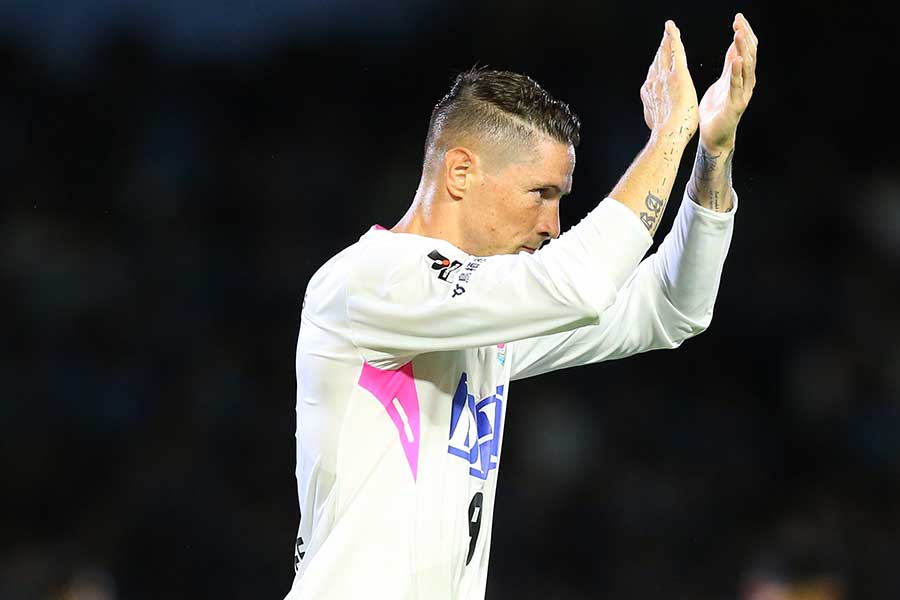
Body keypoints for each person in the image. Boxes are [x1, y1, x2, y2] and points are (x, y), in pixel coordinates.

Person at [286, 13, 758, 600]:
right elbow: (579, 284)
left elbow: (670, 306)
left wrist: (712, 155)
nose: (552, 225)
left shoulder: (484, 316)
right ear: (461, 171)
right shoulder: (369, 280)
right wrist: (668, 138)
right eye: (541, 194)